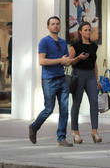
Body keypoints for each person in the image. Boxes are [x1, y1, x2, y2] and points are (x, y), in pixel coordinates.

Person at [29, 16, 75, 147]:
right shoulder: (44, 42)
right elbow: (42, 61)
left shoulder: (63, 42)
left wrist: (73, 60)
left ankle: (61, 138)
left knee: (64, 109)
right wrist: (60, 61)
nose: (55, 26)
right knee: (49, 109)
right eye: (53, 24)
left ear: (60, 27)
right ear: (48, 27)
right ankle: (34, 127)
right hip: (49, 80)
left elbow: (66, 60)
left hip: (62, 78)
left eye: (57, 24)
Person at [67, 22, 102, 144]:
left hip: (90, 76)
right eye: (85, 30)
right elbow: (68, 62)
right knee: (77, 103)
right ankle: (75, 132)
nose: (88, 32)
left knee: (94, 102)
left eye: (89, 30)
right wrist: (78, 58)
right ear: (80, 31)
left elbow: (94, 64)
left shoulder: (94, 46)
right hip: (78, 74)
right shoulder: (75, 46)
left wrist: (97, 79)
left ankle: (95, 131)